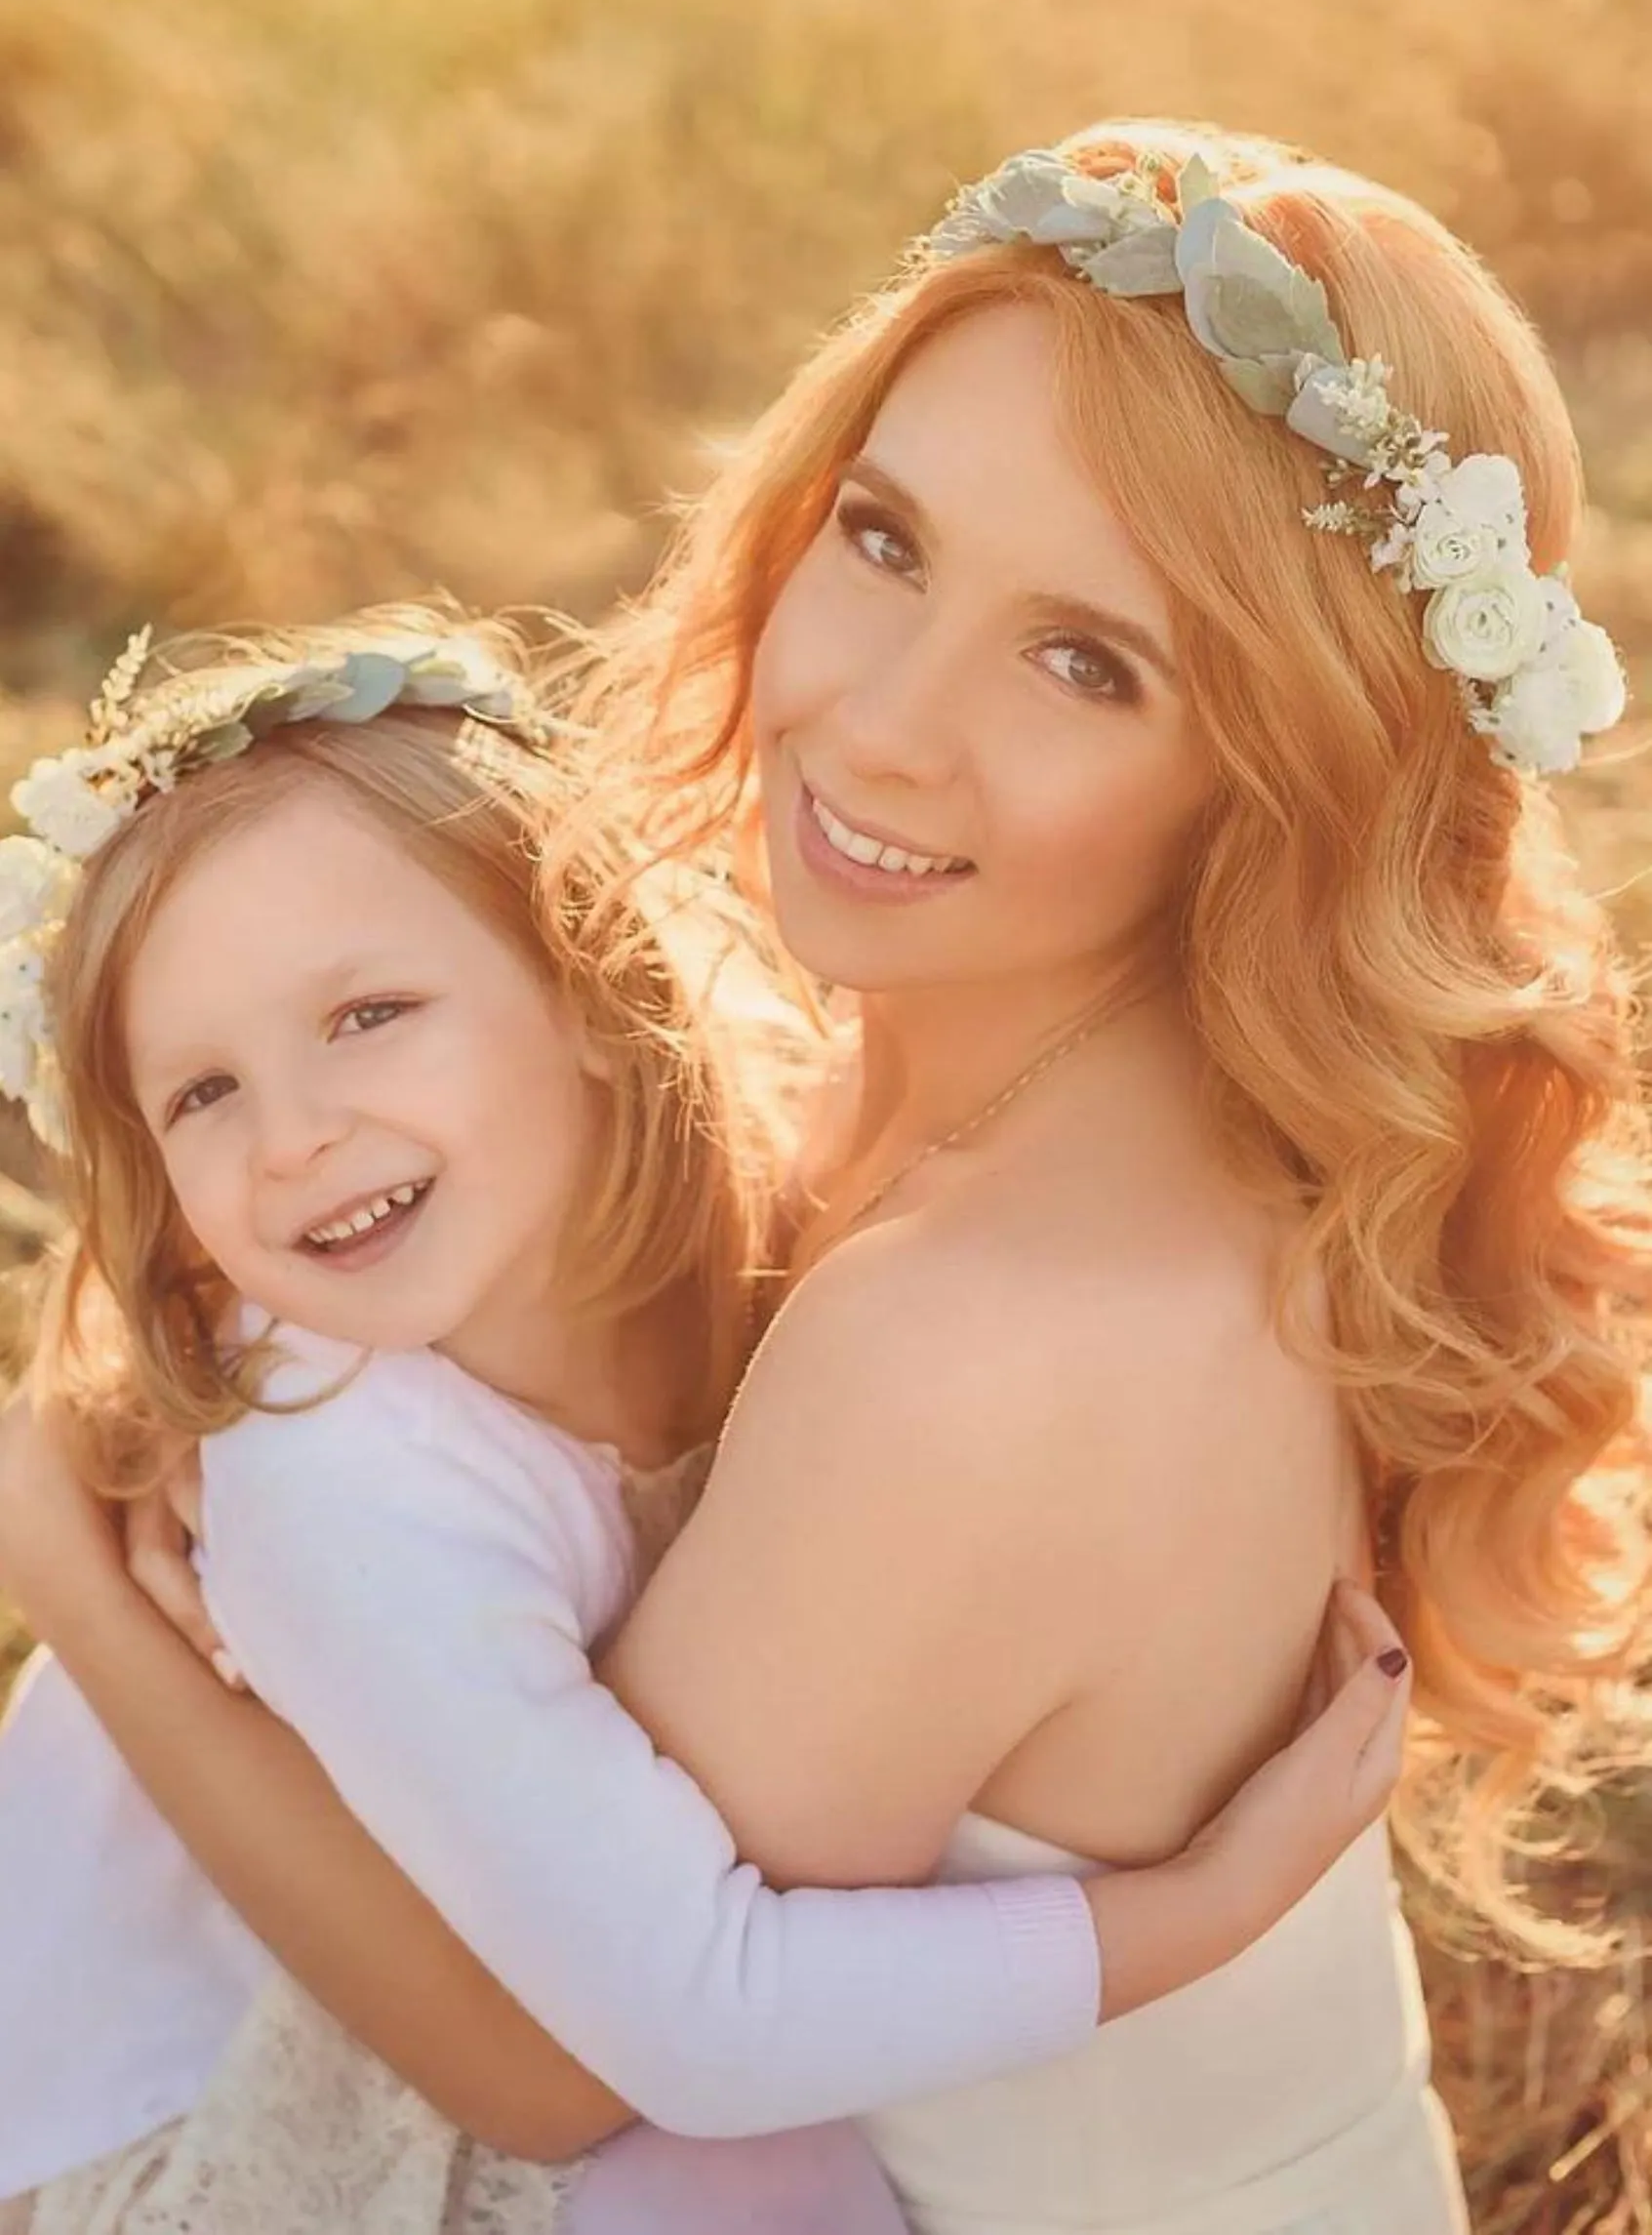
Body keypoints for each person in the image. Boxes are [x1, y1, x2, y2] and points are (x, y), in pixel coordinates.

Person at [6, 117, 1648, 2233]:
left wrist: (70, 1559)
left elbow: (556, 2062)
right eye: (885, 540)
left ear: (1279, 771)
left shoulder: (972, 1334)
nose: (879, 724)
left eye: (1087, 663)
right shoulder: (1037, 1096)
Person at [0, 608, 1407, 2235]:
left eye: (368, 1013)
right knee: (753, 2187)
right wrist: (1203, 1908)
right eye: (202, 1093)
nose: (297, 1135)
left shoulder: (749, 1204)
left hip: (536, 1971)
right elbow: (662, 2037)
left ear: (586, 986)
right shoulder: (338, 1471)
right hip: (222, 2095)